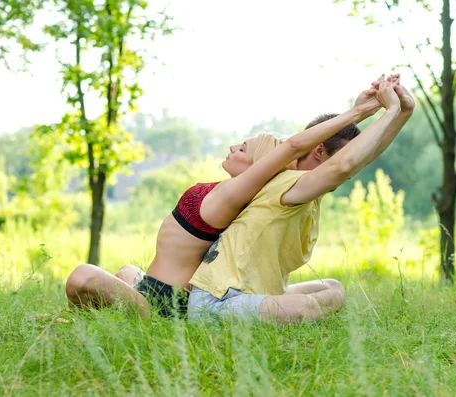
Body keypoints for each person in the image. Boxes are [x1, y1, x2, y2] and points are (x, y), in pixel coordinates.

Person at [65, 81, 384, 317]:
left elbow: (293, 148)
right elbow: (296, 149)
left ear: (260, 165)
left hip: (167, 305)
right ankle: (107, 318)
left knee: (83, 276)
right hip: (158, 286)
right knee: (125, 271)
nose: (233, 148)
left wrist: (356, 113)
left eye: (244, 148)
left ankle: (96, 320)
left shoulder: (240, 192)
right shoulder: (245, 195)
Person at [187, 75, 415, 323]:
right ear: (319, 150)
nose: (352, 166)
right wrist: (390, 109)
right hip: (216, 303)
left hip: (251, 294)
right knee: (305, 307)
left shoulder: (304, 188)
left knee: (333, 288)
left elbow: (357, 160)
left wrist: (404, 112)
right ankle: (281, 313)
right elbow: (345, 165)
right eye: (348, 152)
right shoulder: (287, 183)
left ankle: (274, 310)